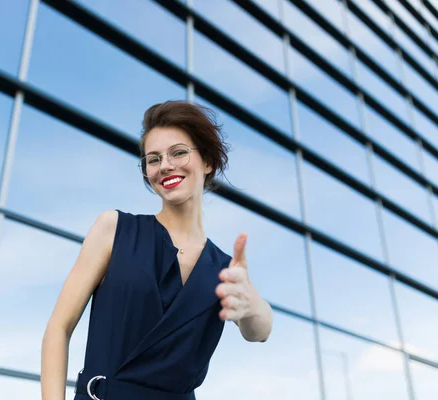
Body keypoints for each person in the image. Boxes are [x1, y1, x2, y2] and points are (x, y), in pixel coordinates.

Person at [41, 100, 273, 400]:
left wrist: (252, 303)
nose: (164, 165)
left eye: (178, 152)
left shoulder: (225, 269)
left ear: (207, 162)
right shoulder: (114, 229)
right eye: (153, 159)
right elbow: (59, 327)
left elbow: (259, 331)